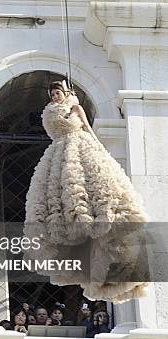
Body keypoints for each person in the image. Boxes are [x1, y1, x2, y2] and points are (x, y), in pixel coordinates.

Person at [24, 80, 148, 303]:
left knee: (90, 194)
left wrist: (99, 148)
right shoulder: (49, 113)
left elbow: (86, 129)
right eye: (52, 94)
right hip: (58, 156)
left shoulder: (75, 108)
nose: (54, 97)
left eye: (57, 93)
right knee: (58, 202)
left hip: (80, 149)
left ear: (66, 93)